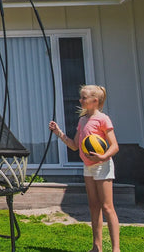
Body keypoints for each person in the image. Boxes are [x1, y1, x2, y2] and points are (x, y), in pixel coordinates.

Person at [48, 84, 120, 252]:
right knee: (94, 206)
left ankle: (116, 249)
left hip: (103, 166)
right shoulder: (82, 120)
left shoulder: (103, 119)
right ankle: (96, 247)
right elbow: (74, 146)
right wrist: (58, 132)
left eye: (83, 98)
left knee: (107, 207)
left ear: (95, 101)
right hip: (88, 167)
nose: (80, 100)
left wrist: (102, 156)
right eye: (81, 97)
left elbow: (114, 146)